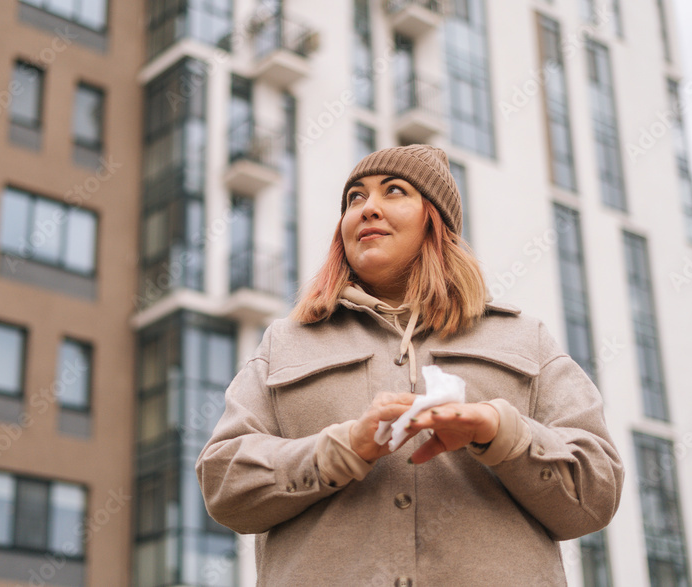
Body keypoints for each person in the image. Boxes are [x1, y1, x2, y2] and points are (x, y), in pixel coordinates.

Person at [195, 144, 624, 586]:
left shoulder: (525, 338)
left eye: (394, 191)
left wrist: (502, 434)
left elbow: (596, 495)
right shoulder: (285, 343)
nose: (367, 209)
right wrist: (337, 451)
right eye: (355, 198)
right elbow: (223, 484)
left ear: (434, 221)